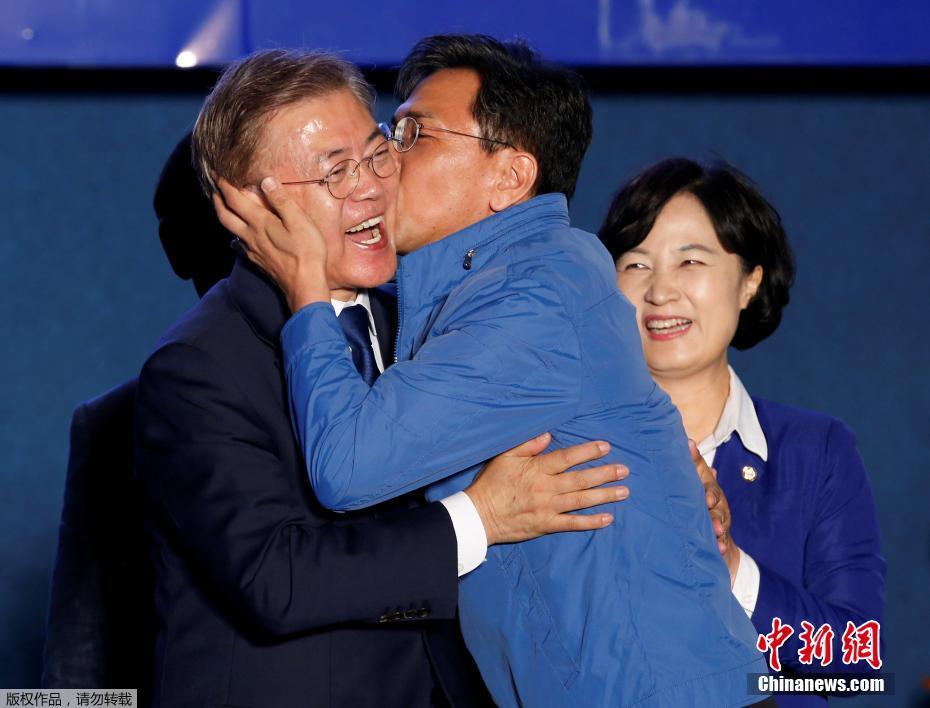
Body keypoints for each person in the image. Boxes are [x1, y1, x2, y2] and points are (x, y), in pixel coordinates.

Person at [217, 35, 769, 706]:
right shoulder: (479, 290)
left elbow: (349, 466)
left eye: (413, 134)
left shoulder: (539, 298)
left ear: (509, 177)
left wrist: (305, 284)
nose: (384, 158)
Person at [136, 49, 628, 708]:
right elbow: (278, 579)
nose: (370, 187)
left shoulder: (441, 319)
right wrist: (479, 517)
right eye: (335, 171)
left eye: (377, 153)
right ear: (250, 203)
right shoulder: (198, 367)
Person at [599, 157, 885, 706]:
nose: (660, 291)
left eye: (690, 261)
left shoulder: (816, 451)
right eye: (636, 264)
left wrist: (732, 569)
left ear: (749, 282)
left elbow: (857, 663)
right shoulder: (567, 447)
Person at [41, 133, 236, 697]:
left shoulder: (392, 377)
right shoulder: (113, 427)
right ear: (176, 249)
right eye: (225, 216)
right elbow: (77, 669)